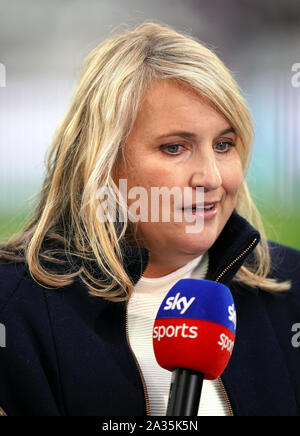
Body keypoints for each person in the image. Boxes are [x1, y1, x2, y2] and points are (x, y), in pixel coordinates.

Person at [0, 22, 300, 417]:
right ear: (101, 163)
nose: (211, 178)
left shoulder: (291, 287)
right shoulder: (15, 311)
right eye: (175, 148)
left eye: (224, 145)